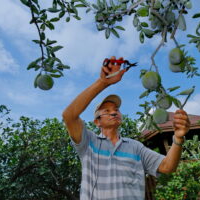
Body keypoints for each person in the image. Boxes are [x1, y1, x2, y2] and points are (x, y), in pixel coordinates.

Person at [62, 56, 190, 200]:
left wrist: (178, 138)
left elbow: (168, 167)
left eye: (116, 109)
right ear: (97, 122)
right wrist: (102, 83)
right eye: (106, 111)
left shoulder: (135, 148)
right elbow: (69, 116)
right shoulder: (88, 143)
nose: (114, 112)